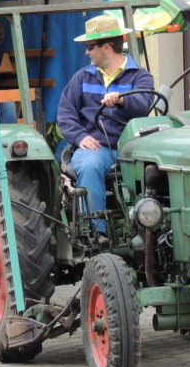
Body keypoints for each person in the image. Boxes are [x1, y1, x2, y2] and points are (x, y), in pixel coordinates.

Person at [57, 15, 154, 236]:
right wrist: (80, 137)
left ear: (107, 47)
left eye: (90, 47)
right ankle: (95, 234)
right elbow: (65, 114)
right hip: (96, 147)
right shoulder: (82, 78)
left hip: (132, 148)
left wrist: (122, 100)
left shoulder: (141, 77)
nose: (86, 52)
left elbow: (145, 104)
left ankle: (150, 228)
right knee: (90, 164)